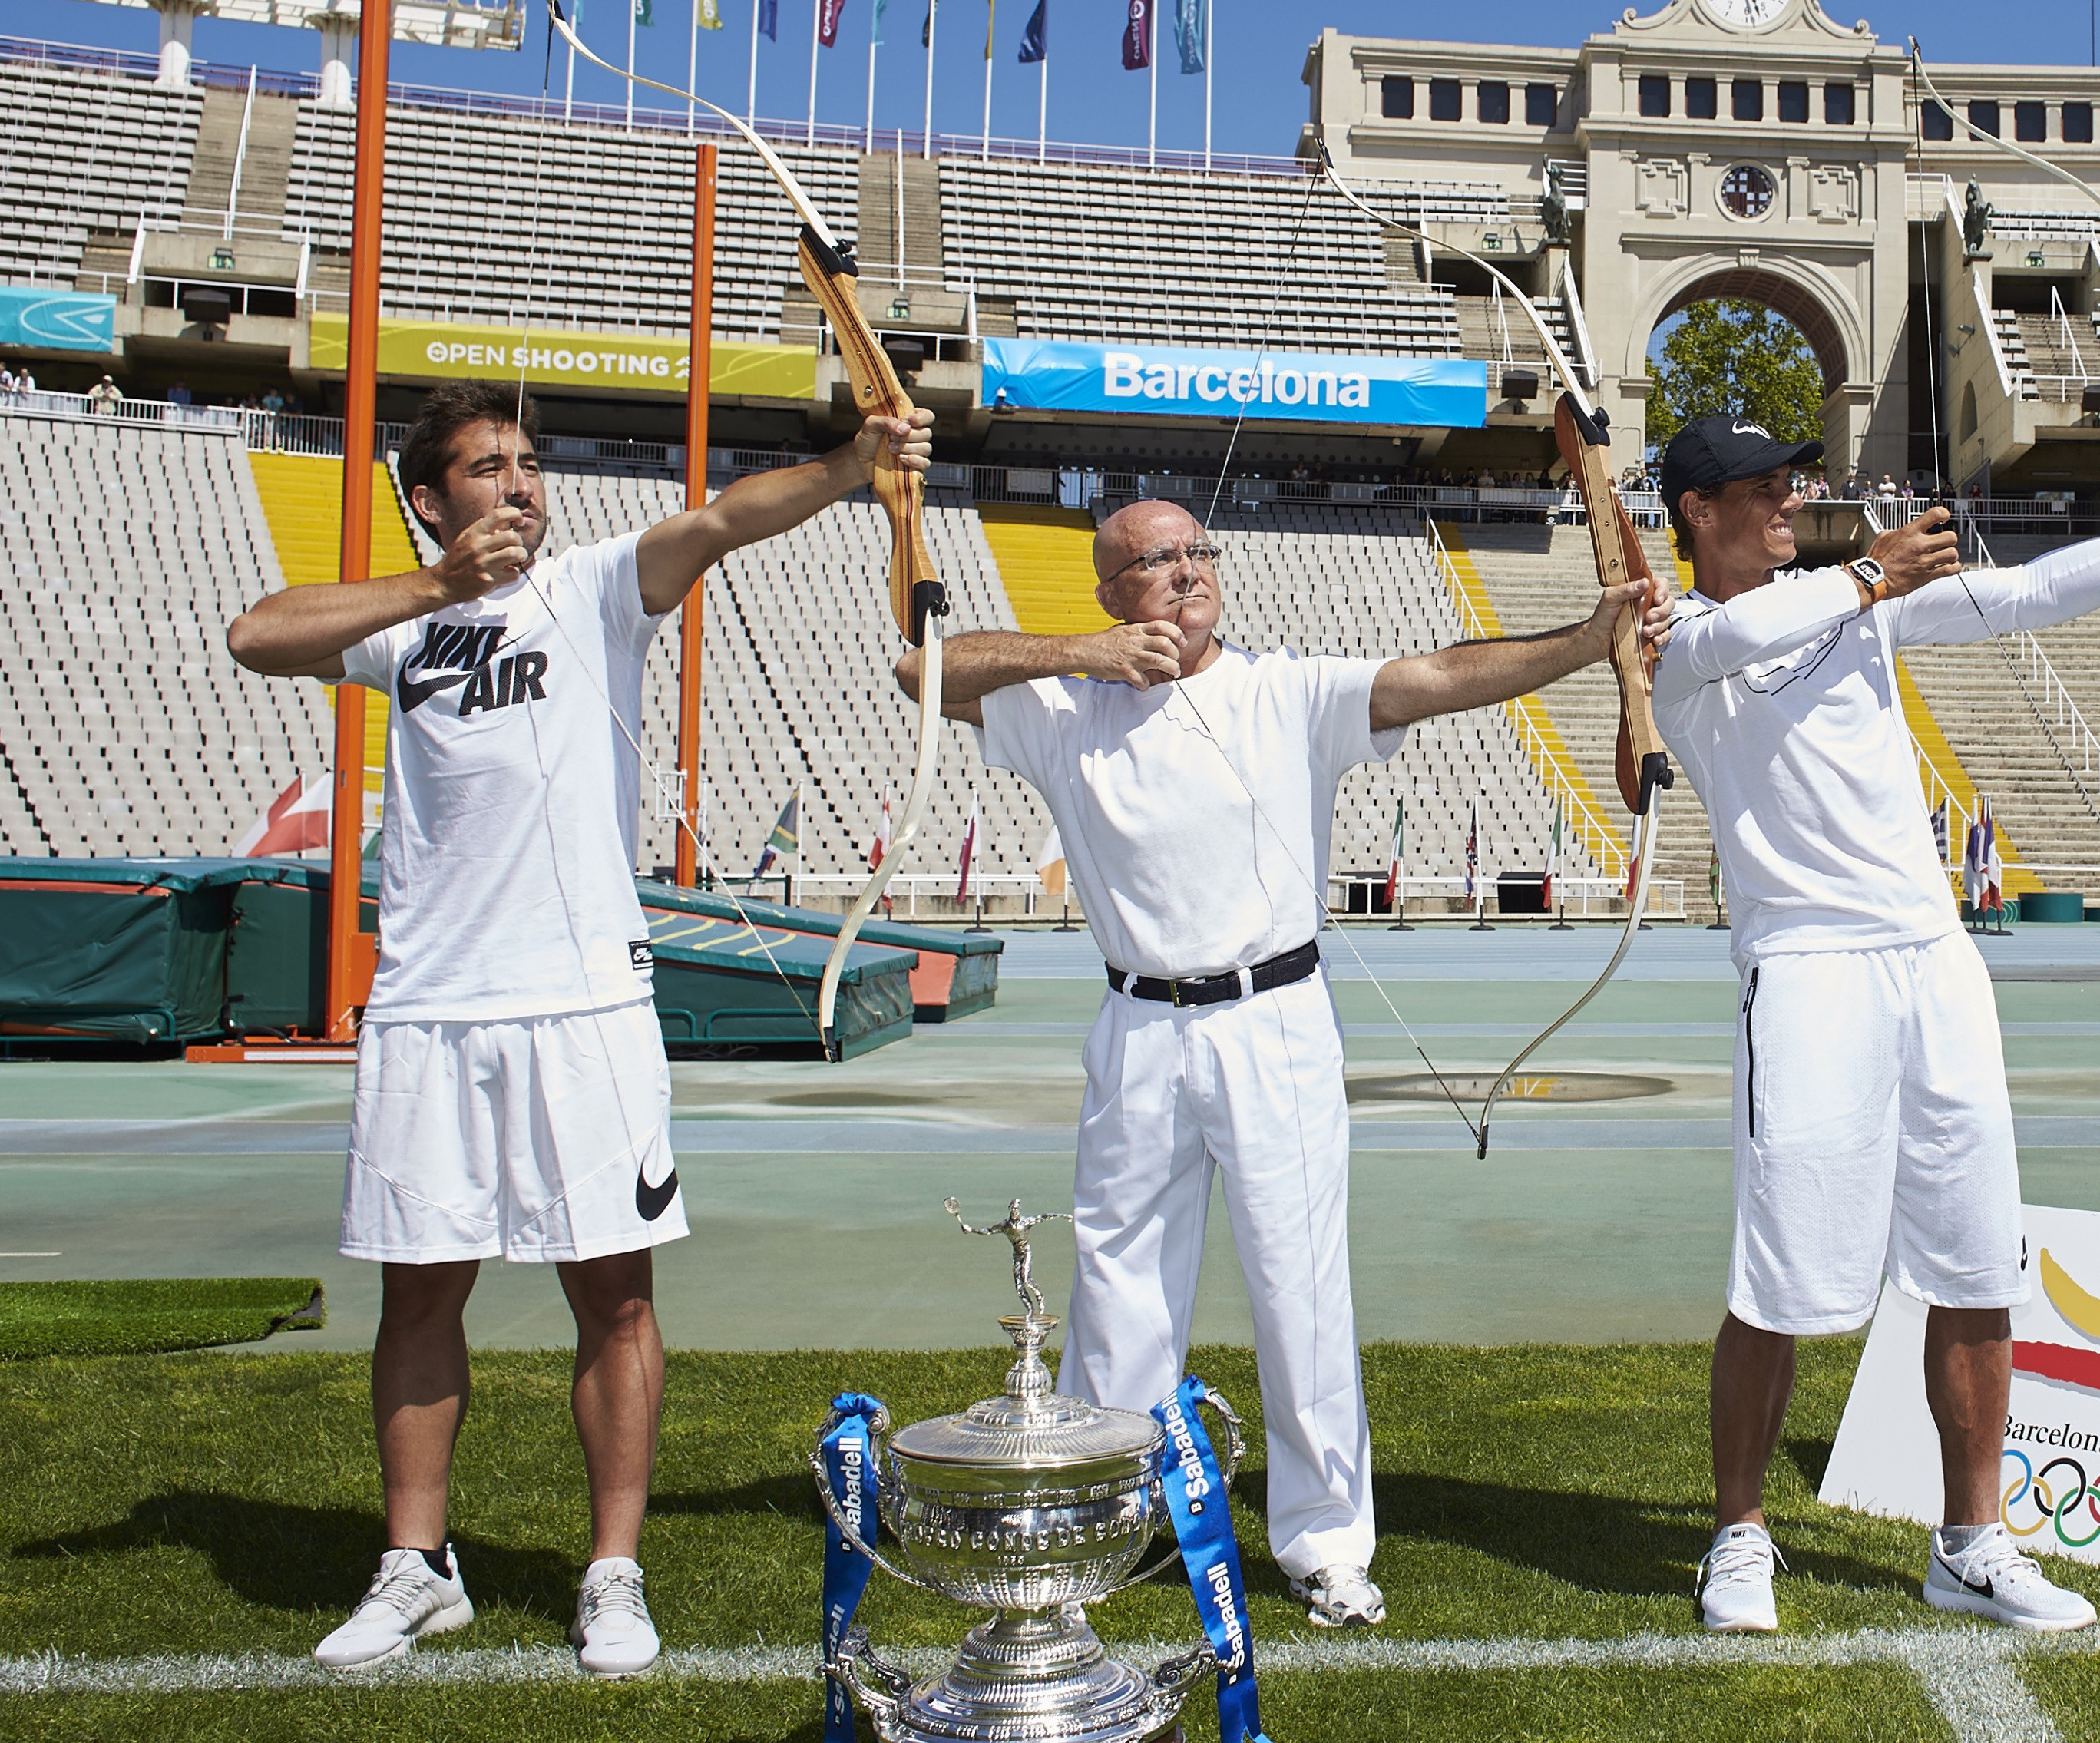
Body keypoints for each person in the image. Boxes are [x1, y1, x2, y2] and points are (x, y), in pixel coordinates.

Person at [226, 380, 938, 1677]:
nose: (521, 484)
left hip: (585, 1006)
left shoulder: (597, 585)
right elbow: (256, 633)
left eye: (529, 463)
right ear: (429, 498)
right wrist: (436, 587)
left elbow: (719, 522)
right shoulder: (404, 617)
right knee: (418, 1286)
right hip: (433, 1005)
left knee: (613, 1295)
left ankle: (613, 1571)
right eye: (488, 467)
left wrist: (853, 466)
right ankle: (417, 1564)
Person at [904, 499, 1663, 1629]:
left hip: (1274, 1020)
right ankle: (1109, 1515)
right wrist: (1086, 654)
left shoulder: (1283, 691)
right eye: (1155, 561)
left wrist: (1587, 640)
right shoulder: (1064, 708)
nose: (1186, 573)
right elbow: (918, 669)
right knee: (1118, 1287)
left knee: (1298, 1287)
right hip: (1138, 1025)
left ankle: (1325, 1542)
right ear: (1111, 591)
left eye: (1198, 552)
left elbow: (1433, 678)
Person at [1646, 415, 2100, 1636]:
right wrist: (1866, 574)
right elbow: (1738, 635)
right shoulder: (1680, 641)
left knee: (1978, 1259)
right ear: (1697, 510)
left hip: (1934, 959)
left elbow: (2031, 595)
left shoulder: (1859, 607)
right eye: (1764, 486)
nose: (1790, 499)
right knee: (1780, 1275)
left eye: (1793, 480)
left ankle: (1974, 1541)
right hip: (1807, 967)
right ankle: (1739, 1532)